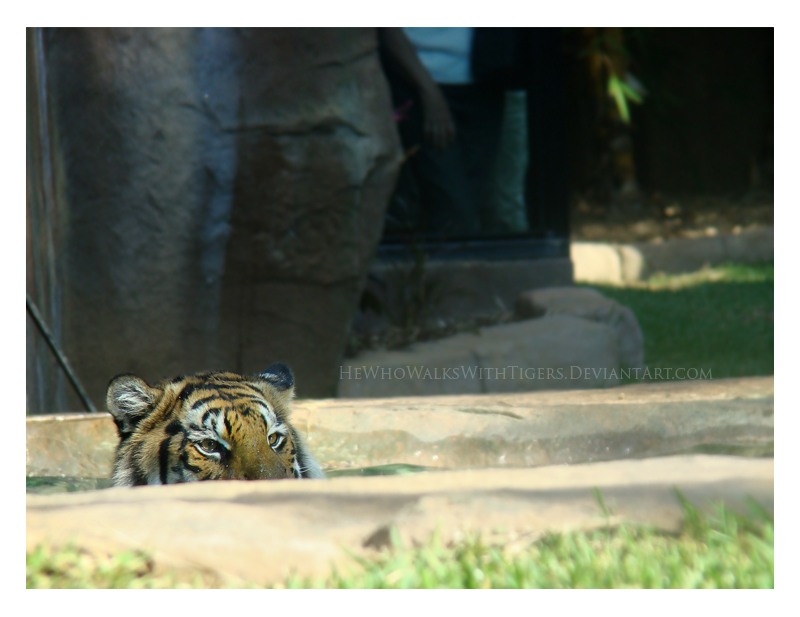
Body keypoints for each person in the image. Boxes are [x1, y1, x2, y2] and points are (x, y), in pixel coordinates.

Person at [379, 27, 507, 237]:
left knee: (471, 204)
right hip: (420, 83)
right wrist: (428, 91)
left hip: (485, 82)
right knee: (454, 211)